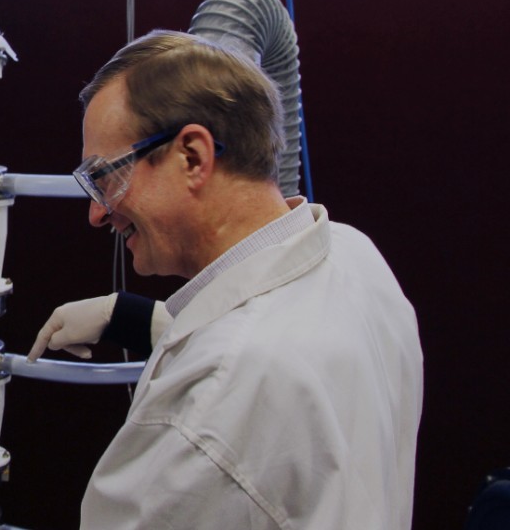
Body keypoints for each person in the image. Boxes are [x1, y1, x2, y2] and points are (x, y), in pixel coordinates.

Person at [27, 30, 423, 529]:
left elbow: (240, 373)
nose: (96, 213)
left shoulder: (214, 399)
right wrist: (137, 318)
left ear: (192, 156)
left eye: (106, 178)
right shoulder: (353, 254)